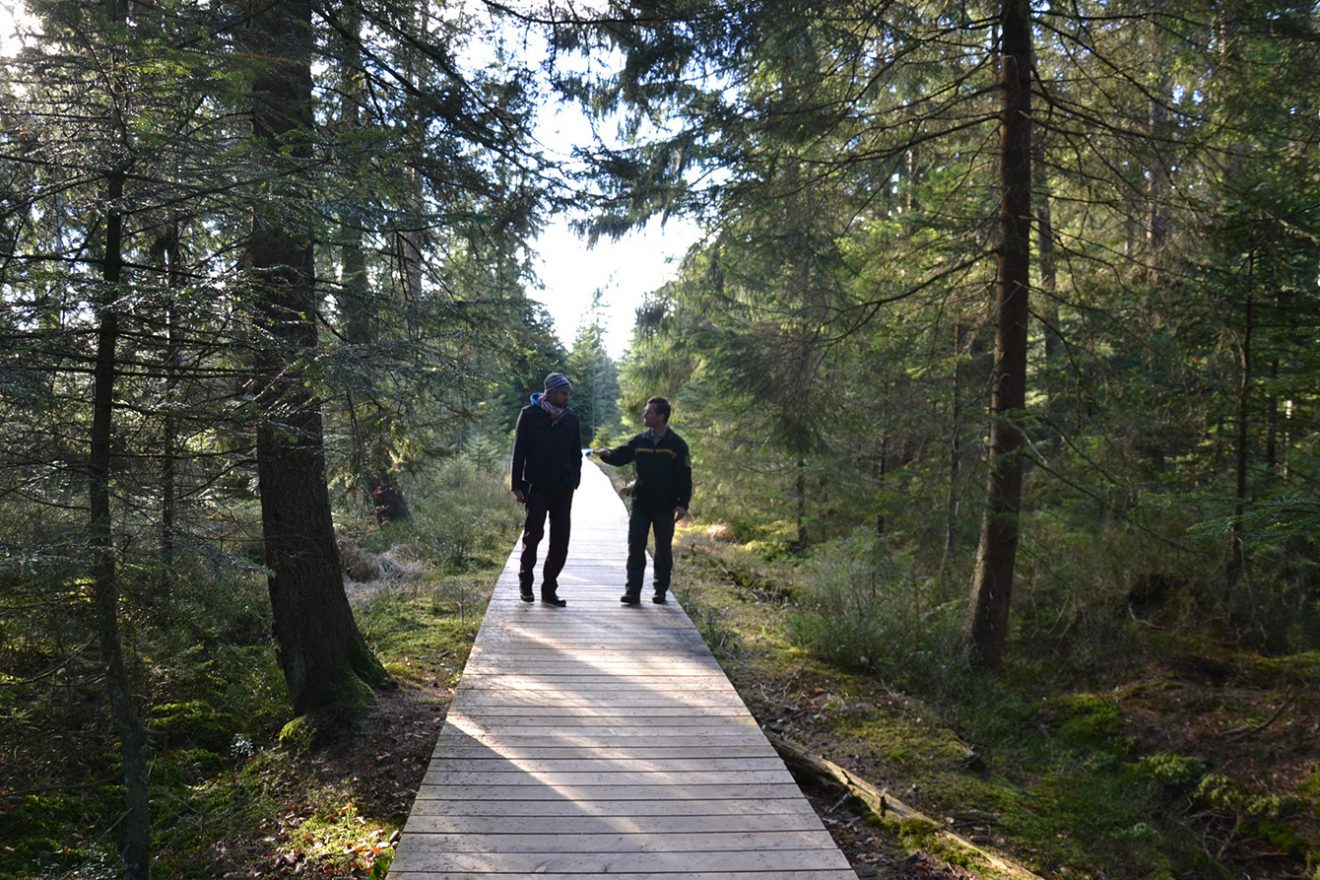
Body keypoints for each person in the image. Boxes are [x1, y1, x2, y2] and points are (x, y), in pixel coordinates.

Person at [597, 396, 692, 606]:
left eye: (649, 412)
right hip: (641, 503)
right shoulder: (639, 441)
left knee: (663, 549)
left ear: (661, 416)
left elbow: (685, 477)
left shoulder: (677, 445)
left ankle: (660, 590)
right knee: (635, 546)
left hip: (665, 506)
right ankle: (632, 592)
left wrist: (682, 504)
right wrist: (608, 455)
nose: (644, 415)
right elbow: (622, 454)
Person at [510, 372, 582, 607]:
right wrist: (516, 486)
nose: (567, 398)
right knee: (533, 536)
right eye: (563, 393)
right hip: (537, 486)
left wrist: (575, 478)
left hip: (563, 488)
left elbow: (575, 452)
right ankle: (525, 583)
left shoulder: (571, 419)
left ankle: (549, 589)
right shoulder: (529, 415)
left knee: (561, 540)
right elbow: (519, 452)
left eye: (568, 393)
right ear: (550, 393)